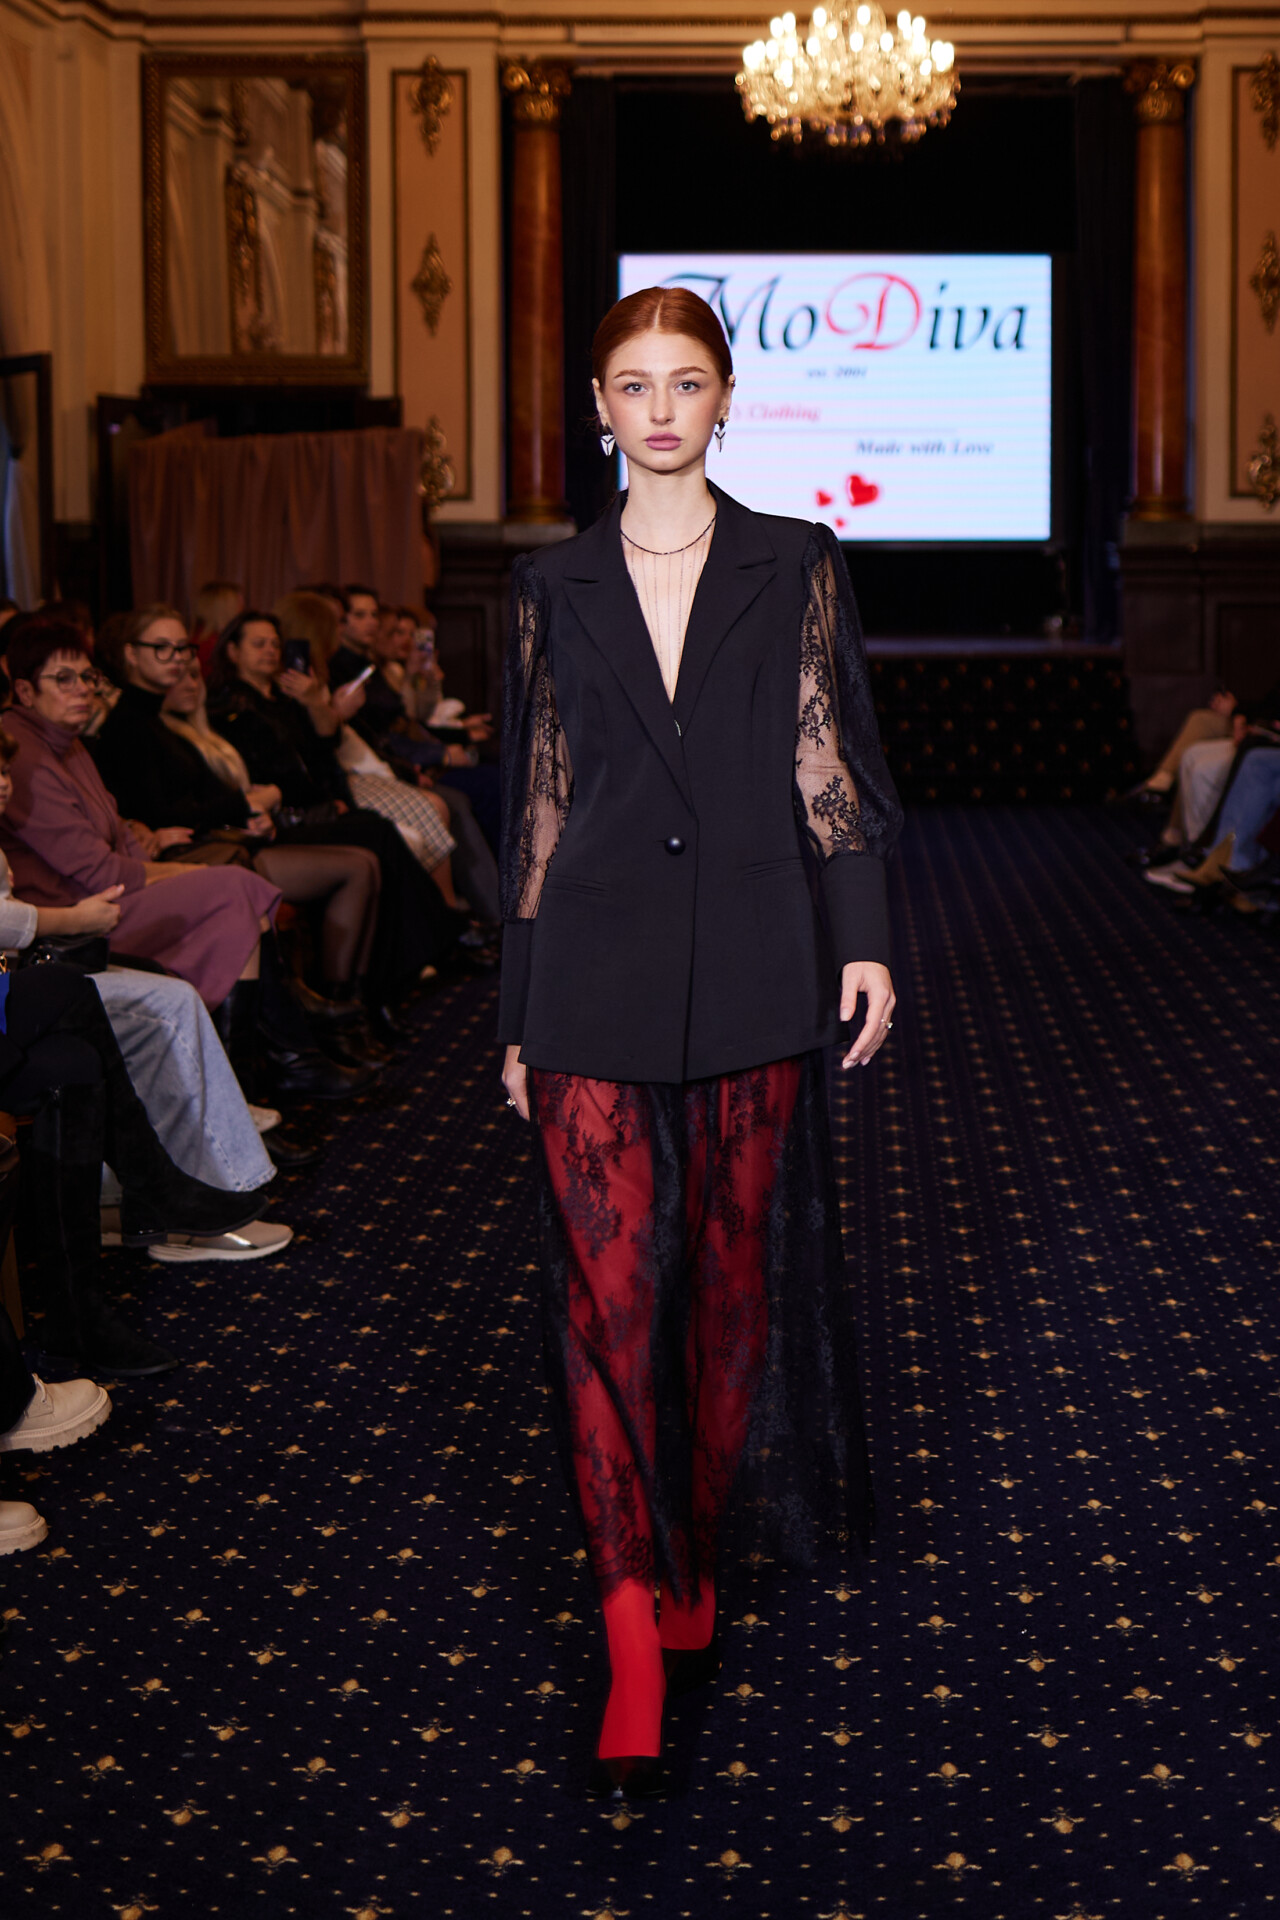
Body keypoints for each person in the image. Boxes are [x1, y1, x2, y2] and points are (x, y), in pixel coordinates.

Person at [499, 287, 901, 1799]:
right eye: (632, 384)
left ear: (726, 398)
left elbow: (825, 762)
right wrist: (517, 1015)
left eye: (685, 382)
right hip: (589, 974)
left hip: (753, 963)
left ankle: (694, 1555)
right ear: (598, 407)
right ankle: (626, 1624)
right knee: (604, 1304)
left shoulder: (794, 558)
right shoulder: (547, 583)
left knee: (730, 1291)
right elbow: (537, 804)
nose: (659, 408)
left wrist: (862, 937)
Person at [0, 618, 280, 1012]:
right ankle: (276, 1035)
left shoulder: (68, 741)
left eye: (87, 677)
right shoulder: (24, 754)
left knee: (238, 902)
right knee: (235, 886)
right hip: (74, 919)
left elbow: (119, 829)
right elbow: (101, 874)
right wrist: (184, 872)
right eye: (64, 679)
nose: (82, 689)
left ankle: (267, 1037)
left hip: (107, 897)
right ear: (25, 691)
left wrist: (164, 869)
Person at [207, 613, 473, 1012]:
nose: (270, 651)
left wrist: (315, 703)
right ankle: (426, 952)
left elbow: (322, 752)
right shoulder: (233, 706)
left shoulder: (282, 699)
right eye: (258, 644)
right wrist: (320, 796)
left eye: (275, 643)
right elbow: (275, 775)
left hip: (310, 806)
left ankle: (392, 977)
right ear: (232, 651)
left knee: (377, 830)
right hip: (282, 819)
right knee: (376, 834)